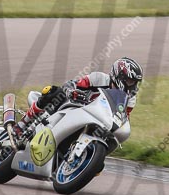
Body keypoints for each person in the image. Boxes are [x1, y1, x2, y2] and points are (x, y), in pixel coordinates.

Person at [14, 57, 143, 138]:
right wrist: (72, 91)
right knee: (53, 92)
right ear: (120, 77)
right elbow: (72, 84)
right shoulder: (99, 78)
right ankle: (22, 123)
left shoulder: (130, 99)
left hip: (95, 119)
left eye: (135, 83)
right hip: (74, 105)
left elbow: (123, 116)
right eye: (131, 81)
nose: (133, 86)